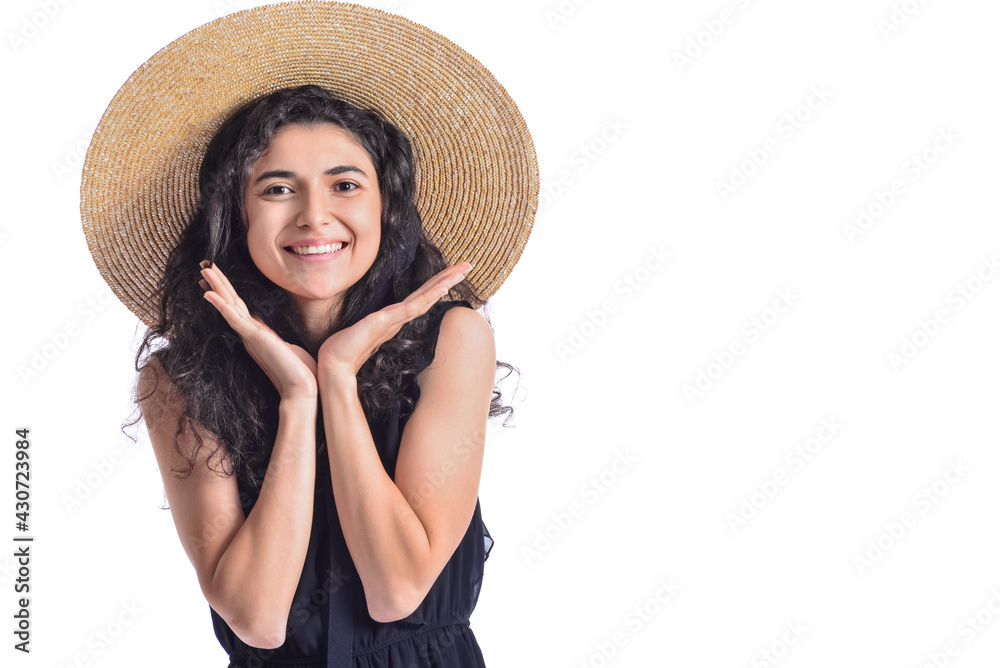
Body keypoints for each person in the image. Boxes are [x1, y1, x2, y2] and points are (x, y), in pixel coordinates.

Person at [80, 3, 538, 666]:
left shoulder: (455, 341)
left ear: (388, 204)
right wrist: (299, 400)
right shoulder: (176, 379)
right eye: (276, 190)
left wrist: (338, 380)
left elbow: (398, 590)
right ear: (234, 215)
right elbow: (259, 619)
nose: (314, 217)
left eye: (345, 184)